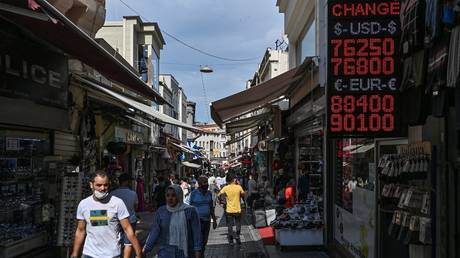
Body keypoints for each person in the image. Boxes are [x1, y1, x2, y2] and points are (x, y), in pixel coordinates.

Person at [71, 171, 142, 258]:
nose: (102, 188)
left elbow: (128, 229)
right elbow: (80, 231)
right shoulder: (84, 204)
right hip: (89, 254)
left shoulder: (117, 203)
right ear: (91, 185)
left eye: (105, 185)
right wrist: (74, 253)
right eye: (98, 185)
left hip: (111, 255)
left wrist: (139, 252)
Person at [143, 185, 202, 258]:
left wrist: (197, 252)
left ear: (179, 196)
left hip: (184, 254)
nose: (170, 198)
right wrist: (145, 249)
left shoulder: (190, 211)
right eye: (168, 195)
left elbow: (197, 235)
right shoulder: (161, 211)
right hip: (165, 253)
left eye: (173, 195)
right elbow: (154, 231)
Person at [111, 174, 138, 258]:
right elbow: (135, 206)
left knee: (115, 242)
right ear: (126, 182)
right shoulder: (133, 194)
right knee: (128, 243)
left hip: (116, 221)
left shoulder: (112, 193)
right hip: (130, 220)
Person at [189, 176, 217, 257]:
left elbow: (211, 207)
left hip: (207, 221)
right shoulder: (194, 193)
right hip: (197, 221)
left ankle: (202, 253)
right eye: (204, 182)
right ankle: (200, 255)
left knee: (205, 240)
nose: (206, 184)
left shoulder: (209, 193)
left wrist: (214, 220)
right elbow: (191, 208)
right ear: (200, 184)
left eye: (206, 182)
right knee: (198, 240)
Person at [218, 173, 245, 245]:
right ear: (234, 179)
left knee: (230, 225)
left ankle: (231, 241)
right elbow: (243, 194)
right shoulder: (238, 187)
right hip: (237, 209)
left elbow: (219, 195)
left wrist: (222, 202)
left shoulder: (225, 188)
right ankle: (237, 237)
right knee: (238, 224)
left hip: (229, 210)